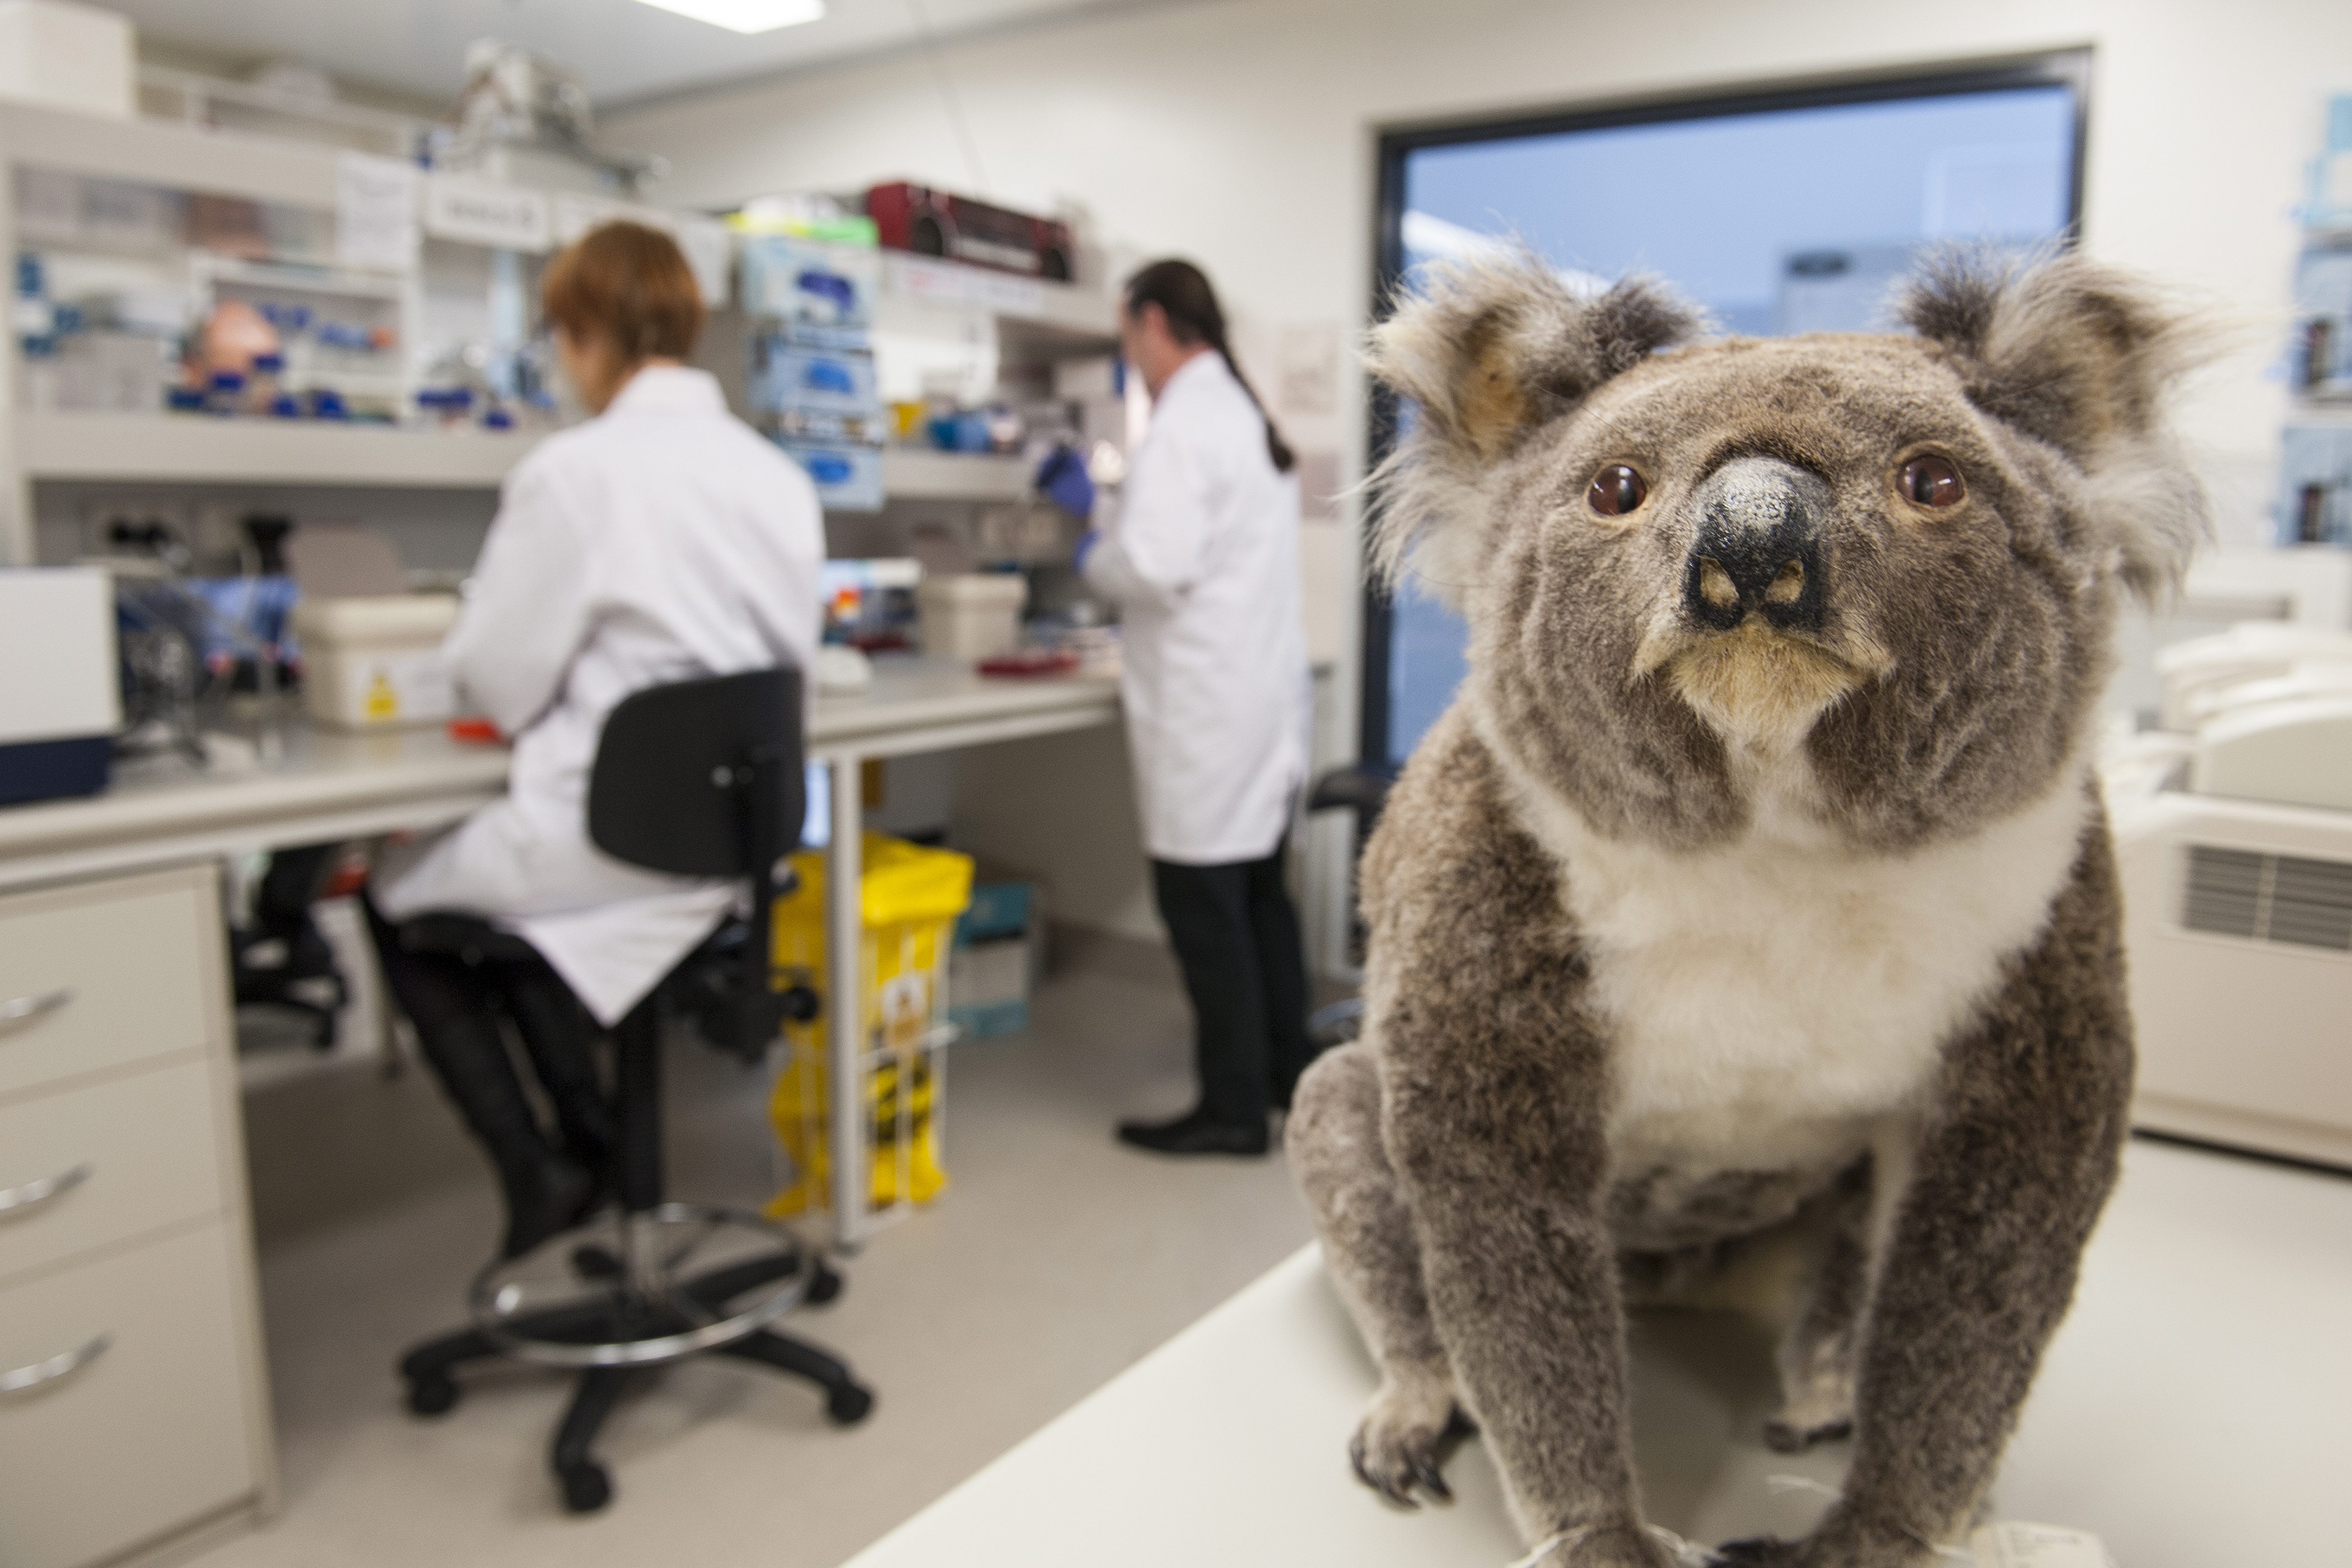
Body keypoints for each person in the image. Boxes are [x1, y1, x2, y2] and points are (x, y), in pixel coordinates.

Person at [366, 221, 824, 1256]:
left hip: (608, 838)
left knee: (397, 893)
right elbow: (785, 659)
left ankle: (543, 1171)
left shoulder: (573, 471)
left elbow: (497, 674)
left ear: (581, 335)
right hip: (731, 846)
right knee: (517, 918)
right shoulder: (777, 477)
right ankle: (600, 1148)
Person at [1078, 259, 1315, 1158]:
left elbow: (1154, 564)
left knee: (1206, 911)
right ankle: (1286, 1073)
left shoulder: (1183, 424)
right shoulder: (1240, 415)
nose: (1129, 352)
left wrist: (1093, 547)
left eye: (1126, 333)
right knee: (1259, 899)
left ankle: (1230, 1111)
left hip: (1207, 712)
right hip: (1253, 699)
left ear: (1149, 323)